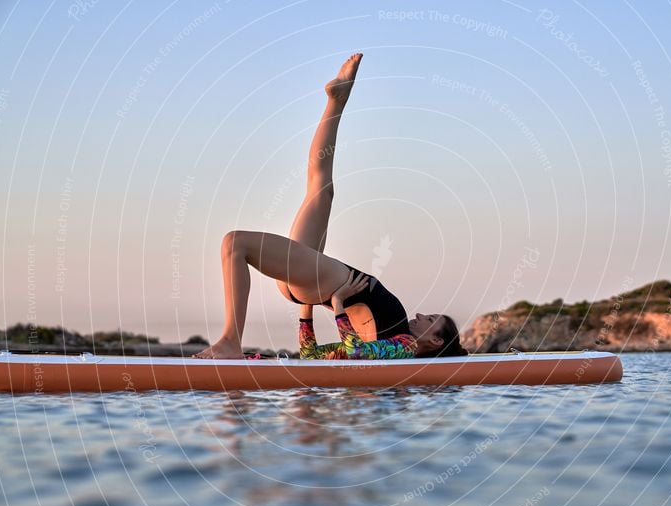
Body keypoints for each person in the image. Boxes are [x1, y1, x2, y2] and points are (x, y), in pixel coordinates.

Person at [194, 53, 468, 360]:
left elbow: (354, 354)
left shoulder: (405, 344)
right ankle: (337, 101)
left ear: (434, 341)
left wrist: (335, 304)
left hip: (322, 287)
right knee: (321, 188)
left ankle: (230, 341)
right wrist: (308, 306)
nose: (420, 315)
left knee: (236, 242)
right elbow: (313, 356)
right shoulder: (393, 349)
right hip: (311, 289)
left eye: (430, 320)